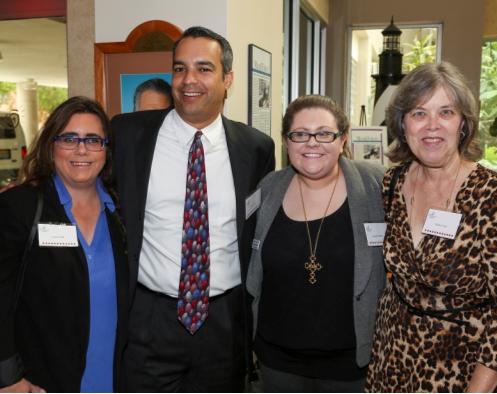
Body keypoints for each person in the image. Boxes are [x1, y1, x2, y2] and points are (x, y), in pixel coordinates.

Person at [112, 26, 275, 392]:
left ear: (227, 78)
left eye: (204, 68)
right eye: (180, 68)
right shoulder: (128, 135)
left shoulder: (256, 148)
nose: (189, 80)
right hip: (149, 319)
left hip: (225, 323)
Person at [366, 61, 497, 392]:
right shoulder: (392, 183)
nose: (431, 126)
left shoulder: (494, 197)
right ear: (402, 124)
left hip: (466, 367)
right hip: (394, 359)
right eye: (419, 113)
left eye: (446, 112)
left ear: (463, 123)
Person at [246, 95, 387, 392]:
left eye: (324, 133)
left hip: (351, 365)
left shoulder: (378, 186)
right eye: (300, 134)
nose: (312, 143)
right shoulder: (267, 189)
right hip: (277, 361)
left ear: (342, 139)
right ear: (287, 141)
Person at [0, 96, 129, 393]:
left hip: (114, 377)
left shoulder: (121, 211)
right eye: (69, 138)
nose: (81, 149)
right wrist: (8, 377)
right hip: (40, 381)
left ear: (106, 151)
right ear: (51, 145)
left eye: (93, 140)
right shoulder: (19, 207)